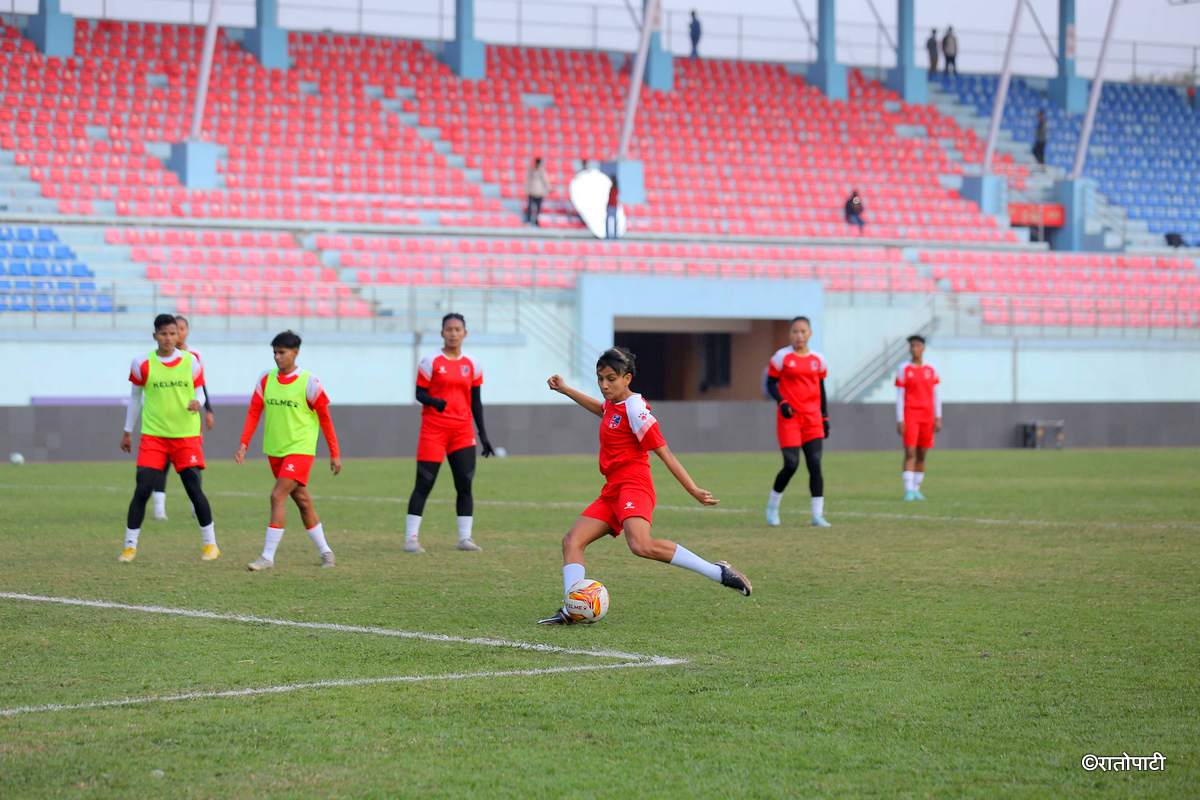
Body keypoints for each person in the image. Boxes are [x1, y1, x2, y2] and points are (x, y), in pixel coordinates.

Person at [538, 347, 751, 625]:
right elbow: (602, 410)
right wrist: (566, 390)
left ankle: (717, 572)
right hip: (613, 489)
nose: (604, 385)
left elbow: (665, 452)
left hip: (634, 486)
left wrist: (693, 489)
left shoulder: (637, 409)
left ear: (627, 378)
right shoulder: (614, 404)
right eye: (600, 378)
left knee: (640, 545)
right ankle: (574, 608)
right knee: (572, 541)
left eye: (611, 379)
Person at [236, 330, 342, 570]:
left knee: (277, 496)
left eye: (282, 352)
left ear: (295, 353)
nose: (277, 357)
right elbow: (254, 412)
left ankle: (267, 557)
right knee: (303, 501)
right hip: (275, 451)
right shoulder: (266, 379)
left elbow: (325, 418)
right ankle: (326, 552)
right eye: (274, 352)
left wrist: (334, 452)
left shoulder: (309, 382)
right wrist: (244, 443)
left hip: (301, 450)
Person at [119, 313, 219, 562]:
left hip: (185, 436)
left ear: (179, 335)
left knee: (193, 488)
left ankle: (211, 544)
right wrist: (128, 430)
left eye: (173, 333)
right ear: (155, 336)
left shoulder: (191, 361)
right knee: (142, 487)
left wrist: (200, 402)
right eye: (163, 334)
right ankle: (129, 546)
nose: (168, 338)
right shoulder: (142, 363)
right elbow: (134, 398)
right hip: (154, 436)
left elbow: (200, 390)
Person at [405, 313, 495, 554]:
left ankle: (465, 538)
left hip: (462, 431)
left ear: (465, 333)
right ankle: (411, 538)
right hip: (433, 430)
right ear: (442, 333)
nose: (453, 333)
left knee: (464, 483)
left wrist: (484, 435)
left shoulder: (473, 364)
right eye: (449, 329)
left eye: (458, 329)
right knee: (424, 482)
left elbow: (476, 402)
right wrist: (435, 402)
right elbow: (419, 393)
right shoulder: (430, 361)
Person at [764, 317, 830, 528]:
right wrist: (782, 402)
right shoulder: (781, 357)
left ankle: (817, 515)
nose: (798, 336)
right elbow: (771, 384)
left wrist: (825, 417)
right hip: (790, 418)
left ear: (810, 333)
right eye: (794, 332)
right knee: (791, 464)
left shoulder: (818, 359)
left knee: (815, 465)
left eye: (802, 331)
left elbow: (821, 389)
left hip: (813, 419)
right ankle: (772, 507)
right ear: (790, 334)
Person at [148, 314, 214, 520]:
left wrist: (208, 409)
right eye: (170, 331)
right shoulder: (156, 358)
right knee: (163, 462)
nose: (177, 334)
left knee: (192, 463)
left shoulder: (193, 356)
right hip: (164, 420)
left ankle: (196, 505)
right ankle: (159, 507)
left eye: (181, 329)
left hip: (188, 420)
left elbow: (200, 385)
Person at [896, 335, 942, 502]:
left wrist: (938, 416)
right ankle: (908, 490)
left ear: (923, 348)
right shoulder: (903, 369)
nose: (914, 348)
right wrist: (900, 419)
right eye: (911, 346)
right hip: (910, 415)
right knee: (910, 451)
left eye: (917, 345)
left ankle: (916, 489)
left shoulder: (931, 369)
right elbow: (900, 395)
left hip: (928, 416)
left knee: (922, 453)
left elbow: (937, 395)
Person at [524, 157, 550, 226]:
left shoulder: (542, 171)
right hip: (532, 191)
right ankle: (528, 221)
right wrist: (527, 190)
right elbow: (528, 180)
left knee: (538, 209)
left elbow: (545, 181)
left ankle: (536, 221)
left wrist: (549, 188)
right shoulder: (531, 170)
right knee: (530, 207)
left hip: (539, 192)